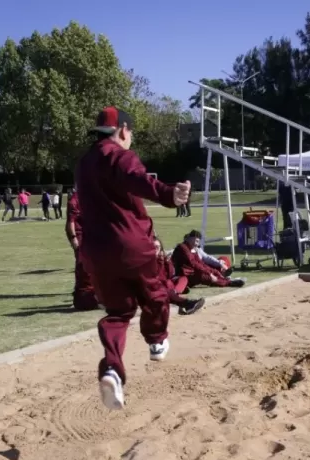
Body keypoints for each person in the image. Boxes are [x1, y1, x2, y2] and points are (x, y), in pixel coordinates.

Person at [76, 106, 191, 410]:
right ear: (123, 130)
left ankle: (112, 369)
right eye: (131, 134)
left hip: (96, 253)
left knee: (118, 312)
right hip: (130, 244)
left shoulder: (84, 162)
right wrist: (169, 195)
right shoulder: (119, 155)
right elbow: (136, 178)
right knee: (155, 294)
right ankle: (156, 340)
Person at [65, 188, 100, 311]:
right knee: (82, 263)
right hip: (78, 234)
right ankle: (82, 295)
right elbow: (71, 222)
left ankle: (92, 293)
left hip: (89, 233)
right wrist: (74, 238)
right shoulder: (74, 201)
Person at [172, 230, 245, 289]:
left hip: (196, 271)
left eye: (198, 242)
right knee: (205, 276)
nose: (197, 244)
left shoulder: (195, 249)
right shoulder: (183, 248)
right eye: (196, 241)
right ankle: (228, 282)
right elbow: (194, 263)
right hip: (186, 274)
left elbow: (202, 262)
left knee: (219, 265)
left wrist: (214, 271)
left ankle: (224, 278)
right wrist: (209, 273)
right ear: (190, 239)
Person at [154, 237, 205, 315]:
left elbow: (170, 274)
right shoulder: (146, 261)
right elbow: (155, 278)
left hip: (167, 284)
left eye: (158, 247)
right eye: (154, 247)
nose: (156, 249)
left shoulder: (161, 258)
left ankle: (175, 292)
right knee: (165, 287)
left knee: (183, 279)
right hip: (154, 287)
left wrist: (167, 262)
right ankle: (187, 303)